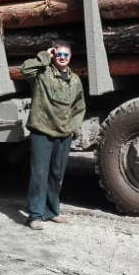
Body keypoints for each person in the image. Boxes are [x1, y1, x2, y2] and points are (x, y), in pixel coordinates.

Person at [19, 40, 86, 230]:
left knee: (57, 175)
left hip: (64, 133)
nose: (62, 58)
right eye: (59, 54)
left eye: (65, 55)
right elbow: (25, 69)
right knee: (39, 174)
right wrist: (45, 56)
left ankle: (52, 211)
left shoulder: (74, 81)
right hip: (42, 131)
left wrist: (74, 128)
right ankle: (35, 215)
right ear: (54, 55)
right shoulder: (43, 72)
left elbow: (79, 107)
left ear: (70, 57)